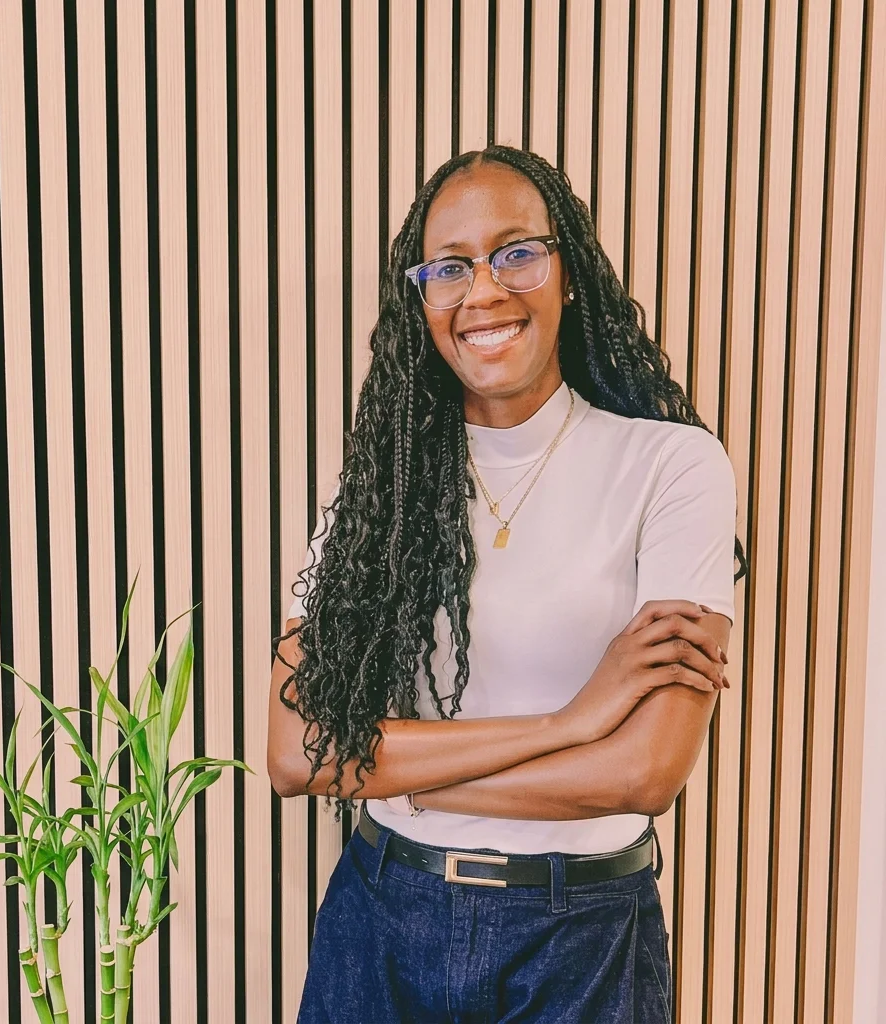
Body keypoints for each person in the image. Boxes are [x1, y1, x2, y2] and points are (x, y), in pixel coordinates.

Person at [267, 145, 747, 1024]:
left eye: (516, 252)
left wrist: (391, 771)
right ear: (422, 302)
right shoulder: (381, 492)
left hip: (583, 937)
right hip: (381, 920)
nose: (483, 291)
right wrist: (571, 722)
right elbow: (298, 754)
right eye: (450, 267)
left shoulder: (672, 468)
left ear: (568, 273)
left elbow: (645, 770)